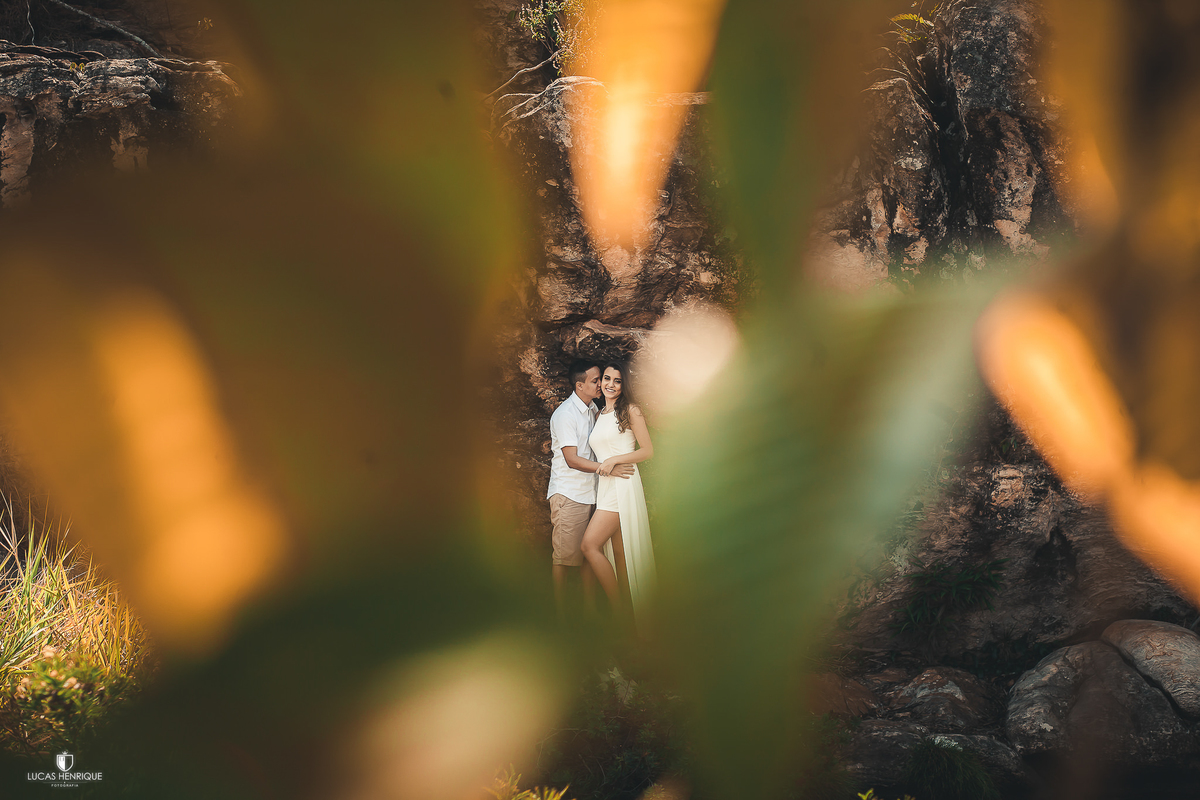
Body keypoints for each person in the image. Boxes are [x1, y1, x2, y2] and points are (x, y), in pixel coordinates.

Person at [548, 360, 634, 621]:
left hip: (593, 493)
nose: (601, 384)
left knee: (588, 553)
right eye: (597, 380)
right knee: (563, 558)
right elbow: (572, 459)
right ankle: (559, 616)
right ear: (580, 385)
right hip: (570, 493)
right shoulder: (565, 415)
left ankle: (590, 610)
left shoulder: (594, 409)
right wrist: (607, 468)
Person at [580, 362, 656, 632]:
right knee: (622, 555)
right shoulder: (600, 413)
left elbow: (647, 450)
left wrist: (614, 460)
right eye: (606, 379)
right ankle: (634, 620)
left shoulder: (630, 410)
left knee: (589, 545)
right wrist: (607, 464)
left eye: (617, 381)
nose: (610, 384)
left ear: (625, 386)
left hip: (622, 485)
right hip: (607, 486)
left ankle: (620, 614)